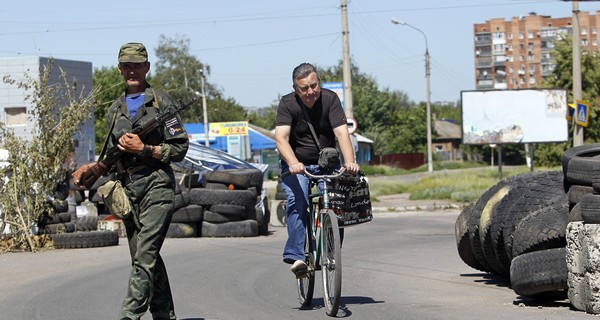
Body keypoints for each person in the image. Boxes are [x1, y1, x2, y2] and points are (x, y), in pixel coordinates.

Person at [72, 42, 189, 320]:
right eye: (127, 65)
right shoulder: (115, 109)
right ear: (119, 69)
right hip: (128, 189)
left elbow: (180, 148)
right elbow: (110, 156)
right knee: (143, 256)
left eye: (137, 65)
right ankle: (163, 313)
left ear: (147, 67)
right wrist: (92, 168)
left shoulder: (163, 103)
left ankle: (129, 314)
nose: (132, 70)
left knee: (146, 252)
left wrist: (145, 149)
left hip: (157, 184)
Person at [274, 62, 360, 277]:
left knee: (337, 203)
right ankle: (297, 257)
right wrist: (293, 162)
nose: (311, 91)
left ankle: (331, 250)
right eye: (304, 88)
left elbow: (342, 134)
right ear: (296, 89)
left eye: (314, 85)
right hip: (297, 165)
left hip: (327, 162)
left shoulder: (330, 99)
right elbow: (281, 138)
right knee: (298, 200)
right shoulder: (287, 104)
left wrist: (349, 161)